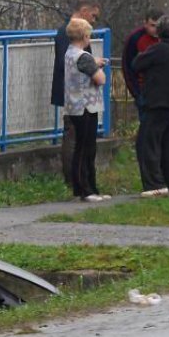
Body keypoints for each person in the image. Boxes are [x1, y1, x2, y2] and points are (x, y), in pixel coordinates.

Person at [132, 15, 169, 197]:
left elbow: (136, 64)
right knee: (168, 144)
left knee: (148, 143)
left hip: (158, 102)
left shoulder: (159, 49)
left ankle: (154, 184)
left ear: (159, 31)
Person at [50, 0, 101, 186]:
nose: (94, 20)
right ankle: (75, 180)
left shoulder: (72, 32)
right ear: (85, 11)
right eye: (93, 16)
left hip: (78, 93)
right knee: (74, 138)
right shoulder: (69, 33)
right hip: (74, 94)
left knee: (79, 138)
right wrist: (92, 66)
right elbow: (69, 64)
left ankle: (81, 179)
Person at [63, 18, 109, 202]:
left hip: (74, 105)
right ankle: (86, 190)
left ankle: (87, 188)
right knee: (86, 149)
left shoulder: (70, 53)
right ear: (84, 36)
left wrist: (93, 63)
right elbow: (101, 79)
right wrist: (97, 66)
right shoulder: (84, 57)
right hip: (86, 106)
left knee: (83, 147)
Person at [122, 8, 164, 121]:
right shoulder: (135, 38)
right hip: (144, 91)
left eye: (158, 26)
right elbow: (127, 67)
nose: (155, 29)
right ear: (145, 23)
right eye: (152, 25)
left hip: (165, 92)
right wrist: (136, 93)